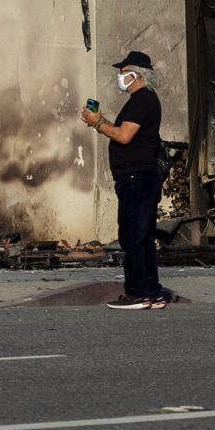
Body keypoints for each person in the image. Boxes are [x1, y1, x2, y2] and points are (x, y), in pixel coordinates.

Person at [81, 49, 170, 309]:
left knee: (132, 235)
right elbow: (124, 131)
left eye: (122, 72)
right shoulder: (145, 100)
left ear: (135, 75)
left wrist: (98, 124)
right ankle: (151, 291)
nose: (119, 77)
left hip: (136, 177)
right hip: (141, 176)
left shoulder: (142, 100)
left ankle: (139, 292)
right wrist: (101, 120)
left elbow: (124, 136)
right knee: (143, 235)